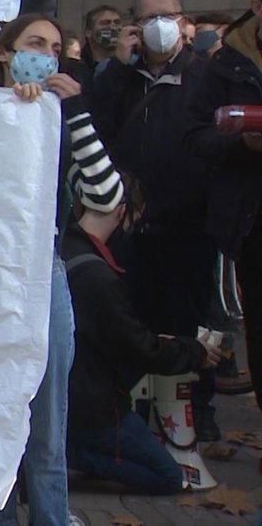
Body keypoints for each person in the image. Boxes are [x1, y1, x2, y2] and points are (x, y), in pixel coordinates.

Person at [0, 14, 124, 526]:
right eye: (35, 44)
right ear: (4, 52)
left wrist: (74, 114)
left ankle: (51, 517)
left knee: (47, 421)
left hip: (42, 275)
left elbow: (106, 195)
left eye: (55, 49)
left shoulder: (58, 117)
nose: (47, 55)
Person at [90, 0, 220, 441]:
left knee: (189, 316)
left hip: (190, 223)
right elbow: (95, 125)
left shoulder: (205, 75)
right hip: (131, 225)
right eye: (148, 19)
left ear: (183, 23)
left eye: (168, 16)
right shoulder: (122, 78)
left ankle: (196, 409)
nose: (159, 26)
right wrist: (117, 68)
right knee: (134, 319)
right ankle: (135, 408)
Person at [64, 186, 221, 495]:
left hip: (68, 396)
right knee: (167, 476)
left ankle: (67, 451)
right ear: (122, 211)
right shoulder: (100, 278)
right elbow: (140, 349)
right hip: (94, 408)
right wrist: (194, 351)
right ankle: (69, 455)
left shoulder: (63, 252)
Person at [185, 0, 262, 412]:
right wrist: (242, 144)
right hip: (252, 220)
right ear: (256, 6)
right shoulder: (225, 66)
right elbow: (195, 136)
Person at [80, 5, 122, 73]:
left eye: (117, 23)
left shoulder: (129, 64)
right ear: (88, 32)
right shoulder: (77, 66)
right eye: (105, 23)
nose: (113, 27)